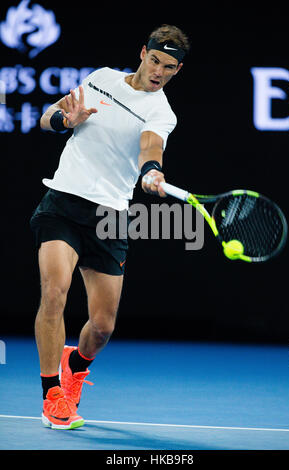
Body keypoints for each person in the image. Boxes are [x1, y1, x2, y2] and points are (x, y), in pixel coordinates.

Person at [30, 24, 190, 429]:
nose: (158, 71)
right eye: (155, 60)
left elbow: (150, 147)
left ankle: (76, 367)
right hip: (63, 201)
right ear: (142, 52)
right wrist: (65, 120)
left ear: (176, 71)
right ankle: (52, 394)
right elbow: (47, 118)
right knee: (54, 292)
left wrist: (152, 171)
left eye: (169, 67)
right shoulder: (100, 79)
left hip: (110, 216)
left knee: (102, 327)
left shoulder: (161, 111)